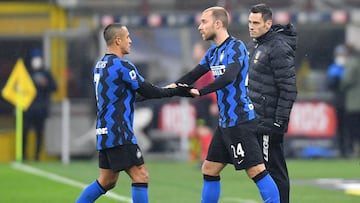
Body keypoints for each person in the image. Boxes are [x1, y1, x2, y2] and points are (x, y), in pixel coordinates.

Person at [169, 6, 280, 203]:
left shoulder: (235, 47)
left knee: (256, 170)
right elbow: (193, 75)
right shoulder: (213, 52)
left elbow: (229, 77)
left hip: (241, 121)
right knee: (209, 168)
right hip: (226, 123)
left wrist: (201, 91)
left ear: (218, 24)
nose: (199, 27)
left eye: (204, 22)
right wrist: (169, 88)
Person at [76, 23, 191, 203]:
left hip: (104, 131)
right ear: (118, 40)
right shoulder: (123, 66)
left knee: (106, 181)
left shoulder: (100, 66)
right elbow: (149, 91)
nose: (130, 40)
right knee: (141, 176)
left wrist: (167, 89)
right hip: (120, 132)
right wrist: (176, 90)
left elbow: (127, 96)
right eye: (128, 37)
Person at [247, 4, 297, 203]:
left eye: (256, 23)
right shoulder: (258, 44)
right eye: (250, 22)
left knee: (273, 170)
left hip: (269, 121)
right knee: (265, 169)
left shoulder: (277, 47)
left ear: (268, 24)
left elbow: (288, 87)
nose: (251, 26)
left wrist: (279, 120)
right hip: (257, 118)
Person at [23, 48, 57, 161]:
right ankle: (24, 155)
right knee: (25, 131)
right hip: (28, 108)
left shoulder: (46, 73)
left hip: (41, 109)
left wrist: (45, 84)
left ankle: (37, 156)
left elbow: (54, 87)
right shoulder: (27, 72)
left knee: (39, 133)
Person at [189, 41, 218, 163]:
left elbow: (214, 85)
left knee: (204, 130)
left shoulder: (209, 67)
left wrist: (215, 103)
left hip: (206, 103)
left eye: (196, 49)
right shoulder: (200, 66)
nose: (194, 52)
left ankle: (207, 158)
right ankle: (200, 157)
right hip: (201, 103)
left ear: (203, 51)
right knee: (198, 130)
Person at [326, 44, 349, 157]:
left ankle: (349, 148)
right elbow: (330, 85)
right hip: (340, 103)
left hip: (350, 103)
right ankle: (343, 149)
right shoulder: (333, 69)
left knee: (349, 127)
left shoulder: (349, 68)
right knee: (341, 127)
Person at [340, 46, 360, 158]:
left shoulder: (352, 63)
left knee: (354, 128)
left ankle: (355, 149)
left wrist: (341, 84)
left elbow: (346, 80)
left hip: (354, 102)